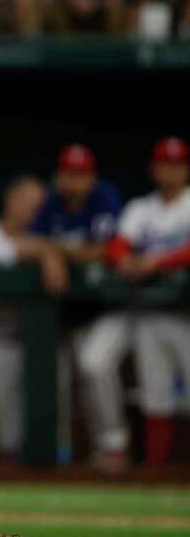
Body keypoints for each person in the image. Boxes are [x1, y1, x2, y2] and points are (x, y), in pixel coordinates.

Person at [29, 143, 128, 473]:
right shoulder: (52, 202)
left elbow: (103, 250)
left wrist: (55, 251)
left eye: (81, 174)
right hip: (66, 312)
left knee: (94, 364)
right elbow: (30, 241)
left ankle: (113, 445)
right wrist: (47, 252)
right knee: (55, 378)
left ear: (92, 177)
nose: (74, 181)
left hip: (109, 308)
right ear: (59, 176)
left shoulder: (105, 198)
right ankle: (62, 452)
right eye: (69, 174)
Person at [0, 176, 67, 459]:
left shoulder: (54, 237)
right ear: (10, 200)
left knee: (55, 416)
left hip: (47, 340)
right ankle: (12, 476)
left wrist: (47, 248)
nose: (33, 210)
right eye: (26, 202)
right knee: (7, 431)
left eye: (39, 205)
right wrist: (41, 251)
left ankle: (63, 471)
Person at [106, 137, 190, 467]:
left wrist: (155, 262)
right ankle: (156, 474)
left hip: (187, 313)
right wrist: (126, 261)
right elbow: (117, 245)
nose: (170, 170)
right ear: (154, 169)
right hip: (150, 311)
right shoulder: (141, 209)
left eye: (177, 164)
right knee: (155, 396)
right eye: (165, 164)